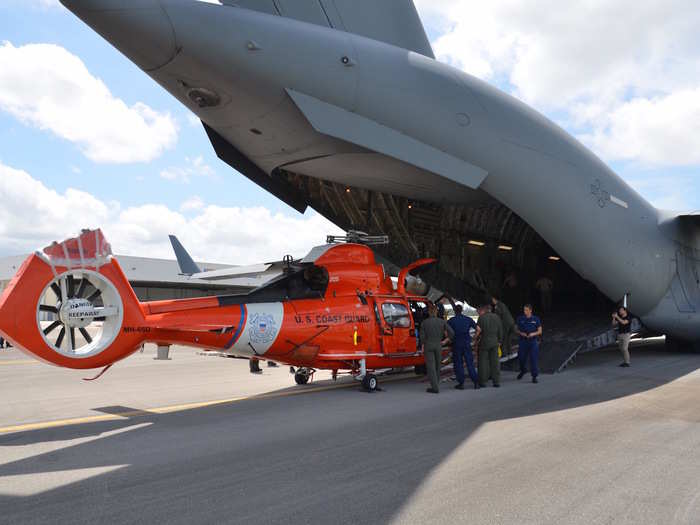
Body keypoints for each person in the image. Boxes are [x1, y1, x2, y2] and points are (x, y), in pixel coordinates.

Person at [420, 304, 454, 394]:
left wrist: (423, 347)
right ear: (436, 312)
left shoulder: (424, 323)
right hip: (439, 345)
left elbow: (422, 338)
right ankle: (436, 383)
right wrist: (445, 341)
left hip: (428, 345)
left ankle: (434, 387)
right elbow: (452, 333)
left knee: (431, 367)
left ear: (428, 312)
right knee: (438, 366)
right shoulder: (442, 322)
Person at [447, 304, 479, 390]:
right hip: (466, 343)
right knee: (470, 363)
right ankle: (476, 382)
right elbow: (478, 329)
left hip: (456, 344)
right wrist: (474, 338)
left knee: (458, 364)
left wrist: (449, 339)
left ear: (454, 311)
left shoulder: (451, 320)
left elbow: (446, 331)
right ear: (462, 310)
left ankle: (461, 383)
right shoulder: (468, 319)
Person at [475, 303, 503, 388]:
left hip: (484, 342)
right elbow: (500, 330)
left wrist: (475, 340)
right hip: (495, 342)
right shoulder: (497, 317)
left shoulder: (481, 318)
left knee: (483, 362)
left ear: (485, 310)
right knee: (495, 362)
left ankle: (483, 382)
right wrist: (500, 341)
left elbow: (478, 331)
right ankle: (496, 382)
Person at [516, 304, 542, 383]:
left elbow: (540, 331)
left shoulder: (536, 319)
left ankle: (534, 376)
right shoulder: (520, 319)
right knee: (521, 358)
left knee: (533, 359)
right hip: (523, 341)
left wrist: (533, 334)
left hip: (532, 341)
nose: (525, 312)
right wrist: (521, 333)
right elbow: (516, 329)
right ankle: (523, 370)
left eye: (527, 310)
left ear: (530, 310)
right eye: (524, 310)